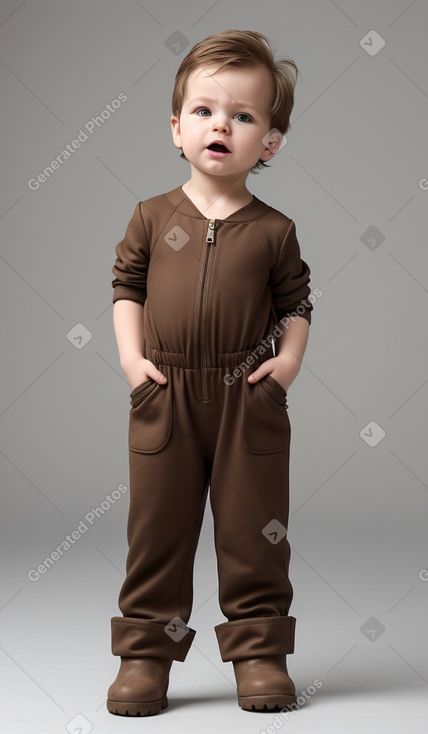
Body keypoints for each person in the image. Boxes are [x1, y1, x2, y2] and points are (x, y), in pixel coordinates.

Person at [107, 29, 314, 716]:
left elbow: (295, 305)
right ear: (176, 128)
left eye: (243, 115)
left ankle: (259, 651)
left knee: (253, 529)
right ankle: (144, 654)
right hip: (163, 394)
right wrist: (132, 361)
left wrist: (283, 366)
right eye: (203, 110)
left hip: (245, 398)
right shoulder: (150, 216)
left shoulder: (273, 230)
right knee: (157, 528)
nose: (220, 124)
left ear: (269, 143)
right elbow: (126, 288)